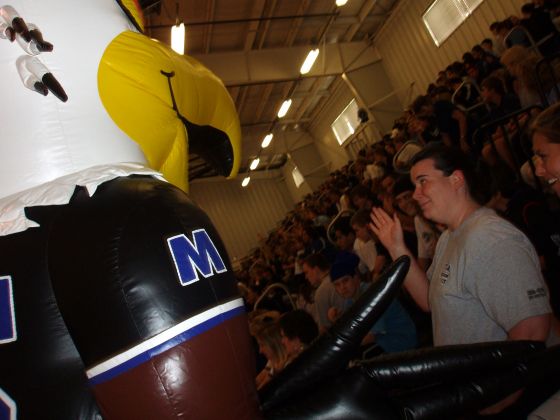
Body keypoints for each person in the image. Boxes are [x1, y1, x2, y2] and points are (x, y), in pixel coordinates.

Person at [370, 143, 555, 415]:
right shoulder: (449, 237)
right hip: (475, 396)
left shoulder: (490, 237)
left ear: (456, 179)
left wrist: (492, 403)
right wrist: (398, 249)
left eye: (423, 182)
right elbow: (429, 301)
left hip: (508, 402)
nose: (416, 194)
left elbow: (531, 332)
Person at [327, 251, 417, 355]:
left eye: (345, 281)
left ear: (356, 278)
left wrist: (340, 345)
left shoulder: (372, 294)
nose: (342, 288)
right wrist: (336, 321)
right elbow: (350, 330)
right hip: (386, 344)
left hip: (402, 344)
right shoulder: (350, 301)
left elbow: (370, 336)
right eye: (337, 285)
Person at [301, 253, 346, 333]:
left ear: (316, 269)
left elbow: (324, 328)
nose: (306, 277)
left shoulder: (321, 291)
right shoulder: (341, 272)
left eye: (306, 272)